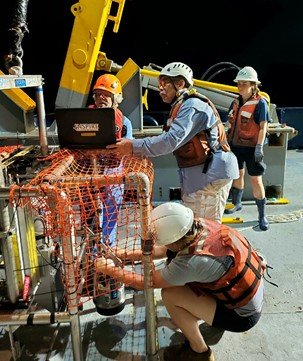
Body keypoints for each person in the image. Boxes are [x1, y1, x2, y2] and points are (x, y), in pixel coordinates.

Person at [96, 202, 266, 361]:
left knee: (170, 294)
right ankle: (206, 319)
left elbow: (148, 282)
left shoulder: (190, 263)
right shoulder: (197, 225)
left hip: (242, 316)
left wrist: (109, 269)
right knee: (181, 283)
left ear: (174, 241)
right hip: (246, 293)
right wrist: (122, 254)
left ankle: (199, 351)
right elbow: (163, 250)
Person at [107, 62, 239, 223]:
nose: (160, 88)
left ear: (180, 84)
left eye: (164, 84)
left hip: (210, 176)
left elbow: (170, 141)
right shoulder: (182, 106)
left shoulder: (192, 107)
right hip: (199, 175)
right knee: (194, 225)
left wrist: (132, 146)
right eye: (159, 84)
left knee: (204, 228)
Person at [224, 66, 270, 231]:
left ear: (253, 85)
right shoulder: (235, 102)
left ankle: (262, 215)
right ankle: (237, 203)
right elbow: (230, 122)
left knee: (256, 180)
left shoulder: (261, 103)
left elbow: (263, 127)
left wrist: (259, 147)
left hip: (252, 148)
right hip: (236, 146)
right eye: (239, 83)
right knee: (238, 174)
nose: (240, 86)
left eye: (244, 83)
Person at [90, 73, 133, 246]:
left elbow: (127, 148)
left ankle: (108, 248)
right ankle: (91, 252)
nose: (101, 97)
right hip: (89, 174)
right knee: (91, 216)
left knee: (111, 215)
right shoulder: (83, 118)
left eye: (106, 94)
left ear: (117, 98)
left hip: (113, 174)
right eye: (98, 94)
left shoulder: (125, 123)